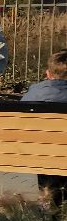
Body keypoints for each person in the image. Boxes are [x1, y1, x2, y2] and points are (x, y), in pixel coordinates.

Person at [23, 50, 67, 211]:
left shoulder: (35, 92)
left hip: (41, 153)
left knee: (48, 168)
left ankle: (48, 209)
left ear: (48, 74)